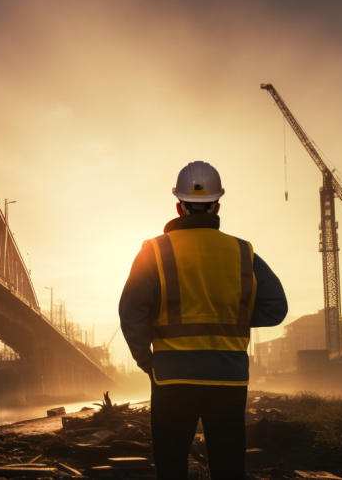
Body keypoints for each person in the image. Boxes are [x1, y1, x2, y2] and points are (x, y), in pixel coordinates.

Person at [118, 160, 288, 479]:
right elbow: (276, 307)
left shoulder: (154, 251)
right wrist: (230, 316)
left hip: (171, 377)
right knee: (228, 466)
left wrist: (147, 361)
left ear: (179, 206)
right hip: (228, 377)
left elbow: (131, 310)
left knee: (171, 465)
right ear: (217, 205)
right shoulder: (242, 252)